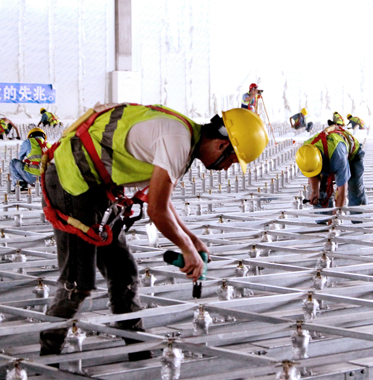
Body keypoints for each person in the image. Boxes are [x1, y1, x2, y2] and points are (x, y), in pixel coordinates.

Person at [39, 103, 268, 361]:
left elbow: (160, 200)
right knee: (78, 282)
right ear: (222, 146)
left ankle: (135, 345)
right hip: (71, 178)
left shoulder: (185, 139)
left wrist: (192, 240)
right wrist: (187, 250)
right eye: (233, 161)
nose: (228, 168)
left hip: (94, 186)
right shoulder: (178, 140)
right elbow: (157, 212)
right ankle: (47, 355)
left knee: (123, 271)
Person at [295, 125, 367, 219]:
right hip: (327, 155)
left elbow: (342, 192)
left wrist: (335, 219)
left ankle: (359, 221)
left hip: (352, 156)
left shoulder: (337, 158)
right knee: (322, 191)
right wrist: (314, 191)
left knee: (355, 189)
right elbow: (312, 173)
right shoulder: (306, 153)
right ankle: (323, 219)